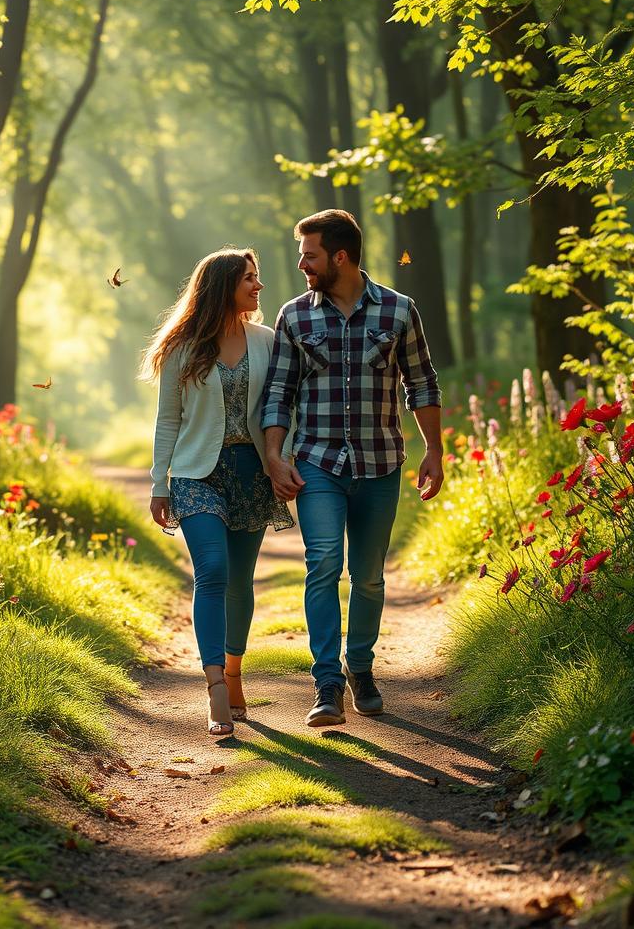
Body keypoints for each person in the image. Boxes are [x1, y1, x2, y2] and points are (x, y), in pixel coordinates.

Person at [262, 209, 444, 728]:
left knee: (367, 577)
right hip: (317, 463)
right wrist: (275, 456)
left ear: (340, 256)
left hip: (381, 462)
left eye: (310, 254)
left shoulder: (399, 311)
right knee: (323, 563)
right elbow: (280, 391)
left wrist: (434, 450)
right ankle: (326, 684)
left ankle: (360, 669)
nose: (302, 263)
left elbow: (423, 384)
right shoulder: (295, 316)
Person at [142, 248, 293, 736]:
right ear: (224, 284)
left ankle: (233, 673)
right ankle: (215, 693)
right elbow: (168, 420)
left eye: (258, 277)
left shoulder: (268, 342)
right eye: (250, 278)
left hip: (250, 473)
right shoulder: (182, 347)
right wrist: (159, 483)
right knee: (212, 571)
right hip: (195, 474)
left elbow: (281, 408)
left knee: (240, 582)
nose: (258, 286)